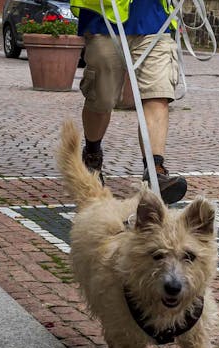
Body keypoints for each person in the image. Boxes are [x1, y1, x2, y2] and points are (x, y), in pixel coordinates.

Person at [70, 0, 188, 204]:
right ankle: (92, 155)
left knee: (157, 93)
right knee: (101, 99)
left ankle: (155, 171)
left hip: (155, 19)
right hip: (105, 19)